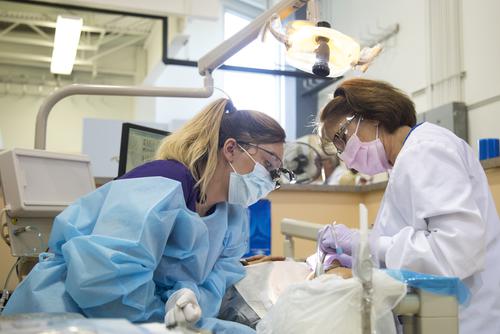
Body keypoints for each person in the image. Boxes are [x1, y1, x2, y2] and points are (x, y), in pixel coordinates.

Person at [3, 98, 293, 333]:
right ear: (231, 148)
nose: (270, 180)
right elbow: (104, 278)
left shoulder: (233, 218)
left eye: (277, 174)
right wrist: (163, 315)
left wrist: (185, 302)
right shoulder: (162, 182)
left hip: (146, 317)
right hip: (68, 312)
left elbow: (216, 280)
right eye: (268, 165)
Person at [317, 78, 500, 333]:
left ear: (373, 116)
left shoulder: (426, 150)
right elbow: (413, 238)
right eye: (338, 148)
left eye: (341, 138)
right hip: (436, 313)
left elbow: (454, 251)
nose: (345, 155)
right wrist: (362, 256)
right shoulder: (408, 157)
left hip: (463, 320)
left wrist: (367, 245)